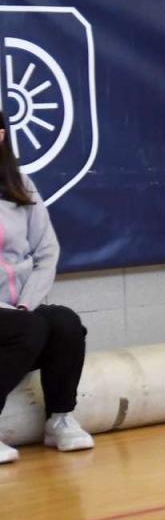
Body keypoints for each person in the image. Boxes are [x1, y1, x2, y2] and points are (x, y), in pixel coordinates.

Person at [0, 108, 93, 463]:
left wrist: (25, 304)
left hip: (21, 310)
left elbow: (46, 251)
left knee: (65, 323)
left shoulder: (20, 186)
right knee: (29, 328)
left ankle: (60, 419)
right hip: (9, 319)